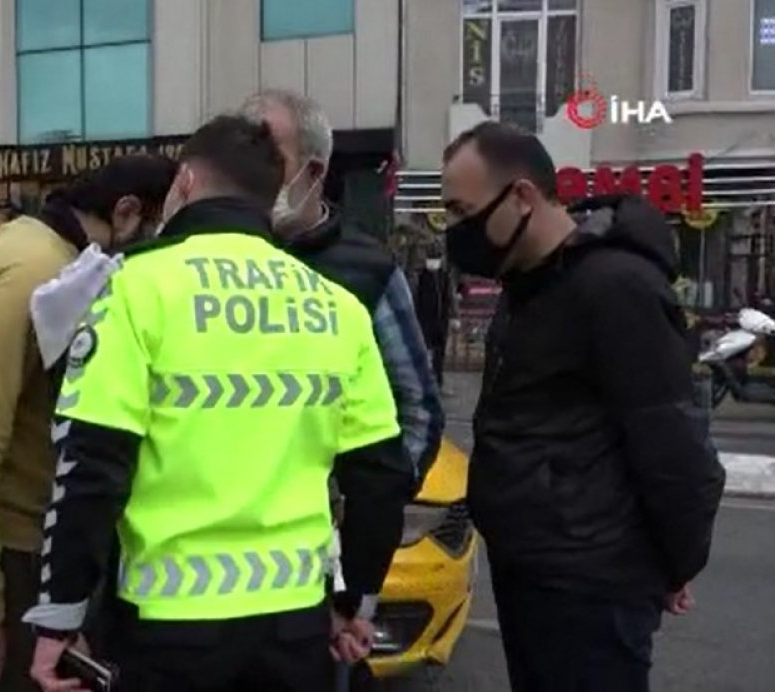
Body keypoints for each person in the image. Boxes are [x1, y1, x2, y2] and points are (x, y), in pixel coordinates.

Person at [24, 115, 415, 691]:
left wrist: (60, 617)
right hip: (295, 624)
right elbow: (381, 475)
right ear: (273, 198)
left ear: (183, 183)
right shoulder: (336, 307)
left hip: (169, 631)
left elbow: (90, 465)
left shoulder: (135, 288)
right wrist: (353, 600)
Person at [440, 120, 725, 692]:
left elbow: (674, 446)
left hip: (591, 586)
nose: (454, 230)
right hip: (533, 570)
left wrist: (675, 564)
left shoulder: (615, 288)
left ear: (521, 196)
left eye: (460, 210)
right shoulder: (527, 286)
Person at [0, 154, 177, 692]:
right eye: (160, 228)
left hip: (11, 542)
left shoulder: (41, 249)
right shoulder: (35, 274)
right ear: (125, 212)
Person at [239, 89, 443, 482]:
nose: (251, 176)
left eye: (269, 159)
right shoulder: (217, 256)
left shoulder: (369, 270)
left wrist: (373, 513)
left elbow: (418, 409)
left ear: (314, 172)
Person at [413, 248, 454, 389]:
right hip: (424, 320)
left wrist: (454, 315)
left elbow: (449, 296)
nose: (433, 262)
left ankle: (438, 381)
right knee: (423, 350)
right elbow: (416, 296)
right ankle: (422, 380)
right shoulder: (422, 276)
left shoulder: (444, 276)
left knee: (439, 353)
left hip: (441, 320)